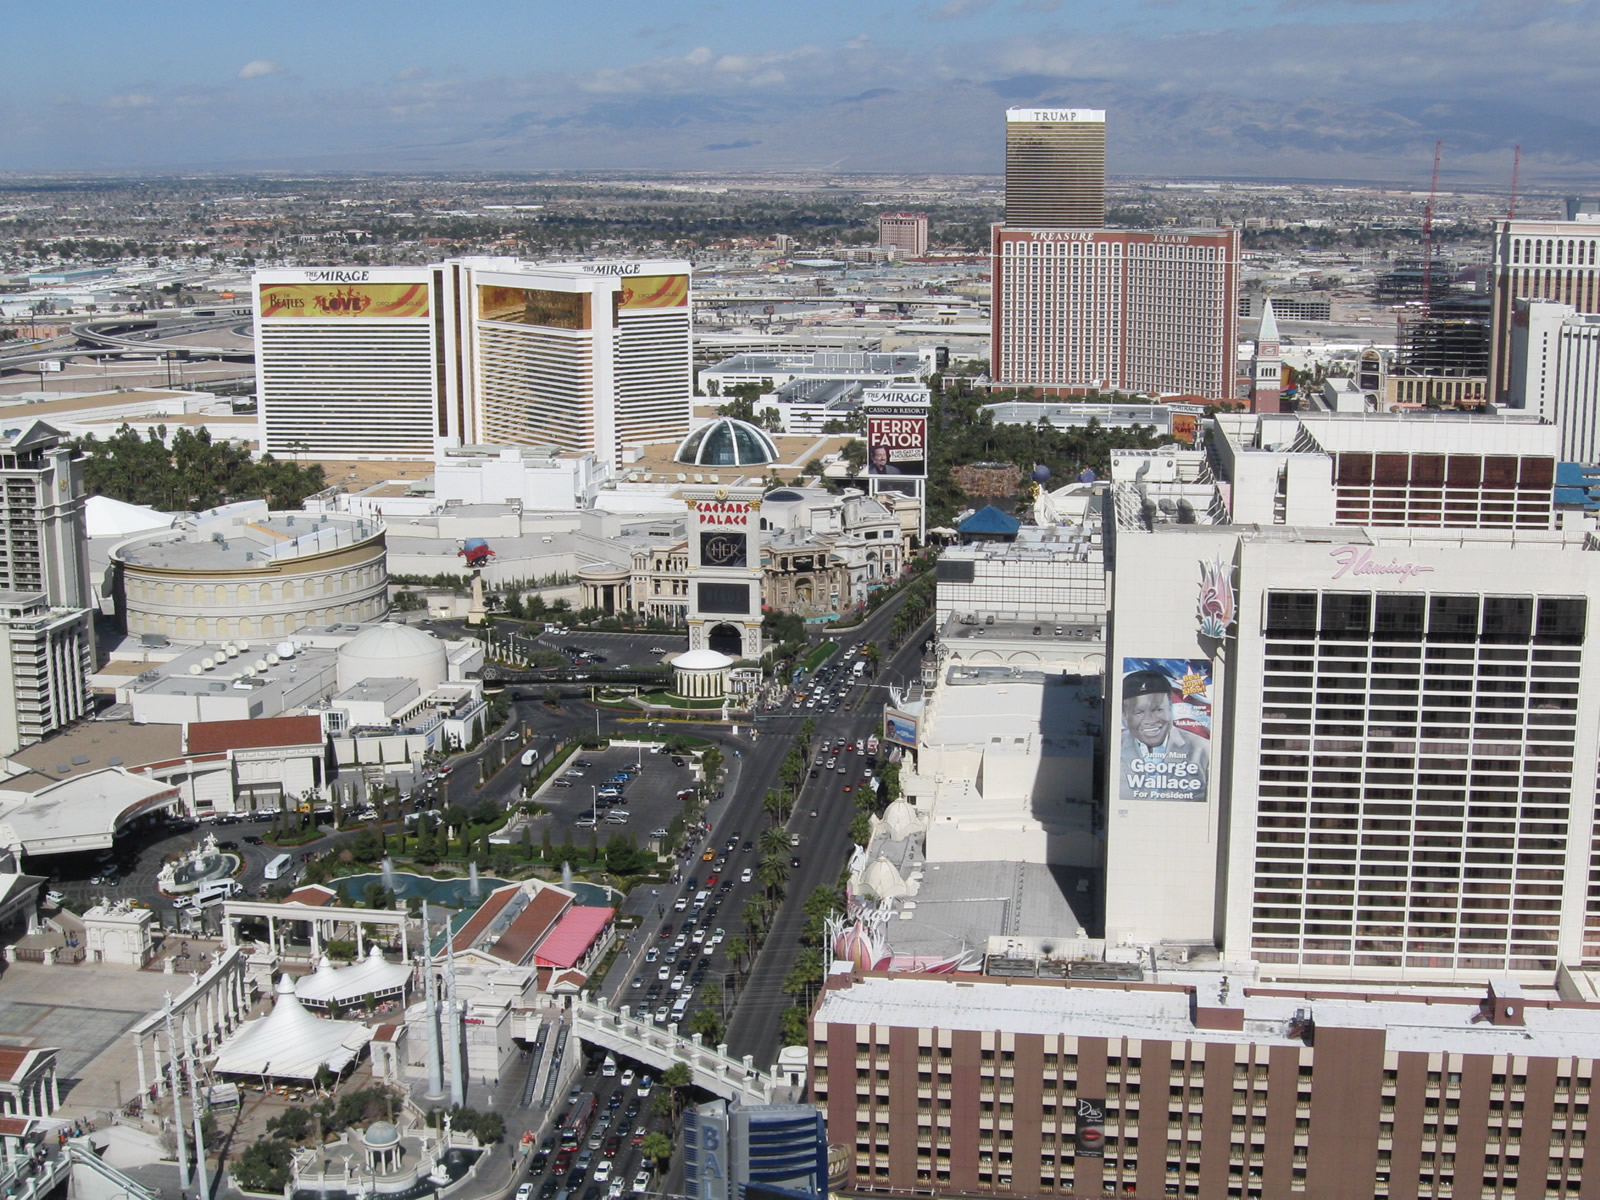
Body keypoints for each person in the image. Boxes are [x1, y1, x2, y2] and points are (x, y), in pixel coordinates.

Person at [1119, 668, 1210, 802]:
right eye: (1139, 712)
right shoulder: (1114, 748)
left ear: (1170, 707)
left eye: (1158, 709)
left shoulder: (1204, 750)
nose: (1150, 720)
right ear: (1124, 716)